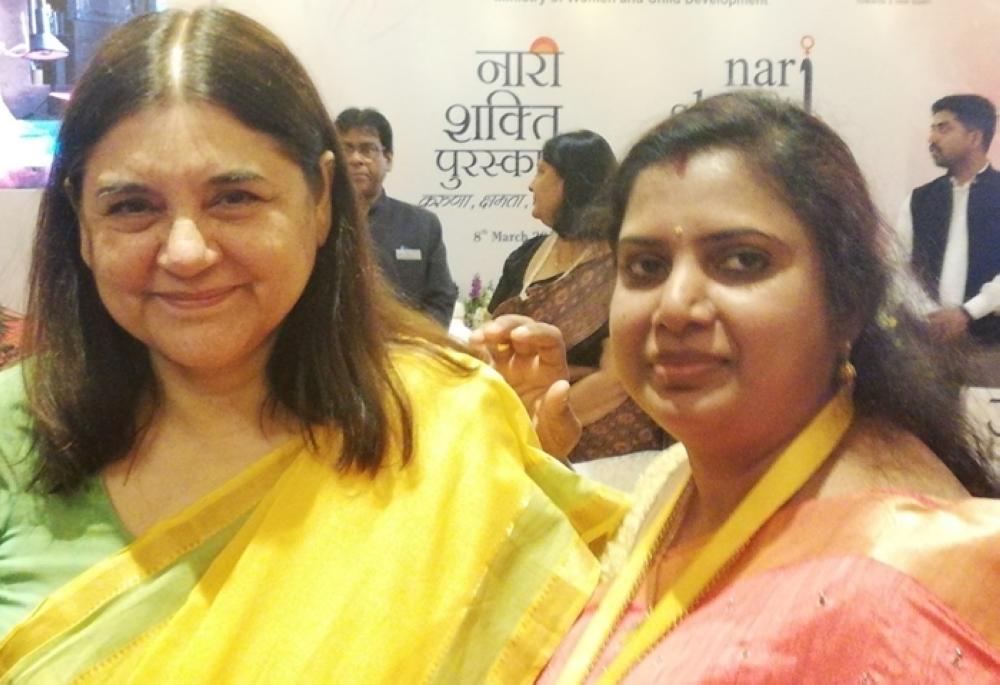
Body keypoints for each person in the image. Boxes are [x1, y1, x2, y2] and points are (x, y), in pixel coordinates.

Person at [0, 9, 627, 683]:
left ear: (321, 198)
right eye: (131, 207)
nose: (185, 251)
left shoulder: (446, 423)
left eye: (235, 197)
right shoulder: (15, 430)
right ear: (82, 222)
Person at [475, 92, 1000, 683]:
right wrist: (541, 448)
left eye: (742, 261)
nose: (675, 306)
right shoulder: (675, 482)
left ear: (848, 300)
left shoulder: (905, 577)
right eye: (646, 267)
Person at [489, 130, 668, 462]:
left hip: (606, 459)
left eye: (541, 172)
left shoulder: (620, 266)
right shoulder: (523, 257)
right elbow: (490, 356)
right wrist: (572, 374)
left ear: (569, 183)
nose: (531, 185)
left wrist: (542, 426)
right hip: (517, 447)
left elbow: (617, 381)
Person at [897, 94, 1000, 387]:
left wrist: (968, 313)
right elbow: (898, 268)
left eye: (943, 128)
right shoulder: (919, 199)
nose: (931, 138)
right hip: (928, 347)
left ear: (975, 136)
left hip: (991, 349)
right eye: (932, 128)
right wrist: (929, 314)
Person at [334, 107, 458, 327]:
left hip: (405, 352)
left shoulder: (422, 225)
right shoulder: (315, 222)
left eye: (367, 149)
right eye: (346, 149)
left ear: (388, 159)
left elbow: (440, 300)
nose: (356, 159)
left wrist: (414, 347)